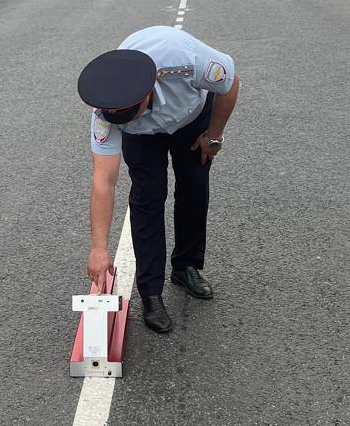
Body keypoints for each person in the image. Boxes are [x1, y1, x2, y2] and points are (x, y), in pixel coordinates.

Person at [78, 26, 240, 334]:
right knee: (147, 199)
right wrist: (98, 248)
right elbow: (104, 180)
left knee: (194, 186)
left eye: (134, 113)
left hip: (191, 116)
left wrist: (214, 135)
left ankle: (186, 267)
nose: (129, 119)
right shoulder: (107, 111)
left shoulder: (187, 61)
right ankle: (151, 293)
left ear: (149, 90)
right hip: (143, 141)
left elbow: (230, 84)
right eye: (120, 118)